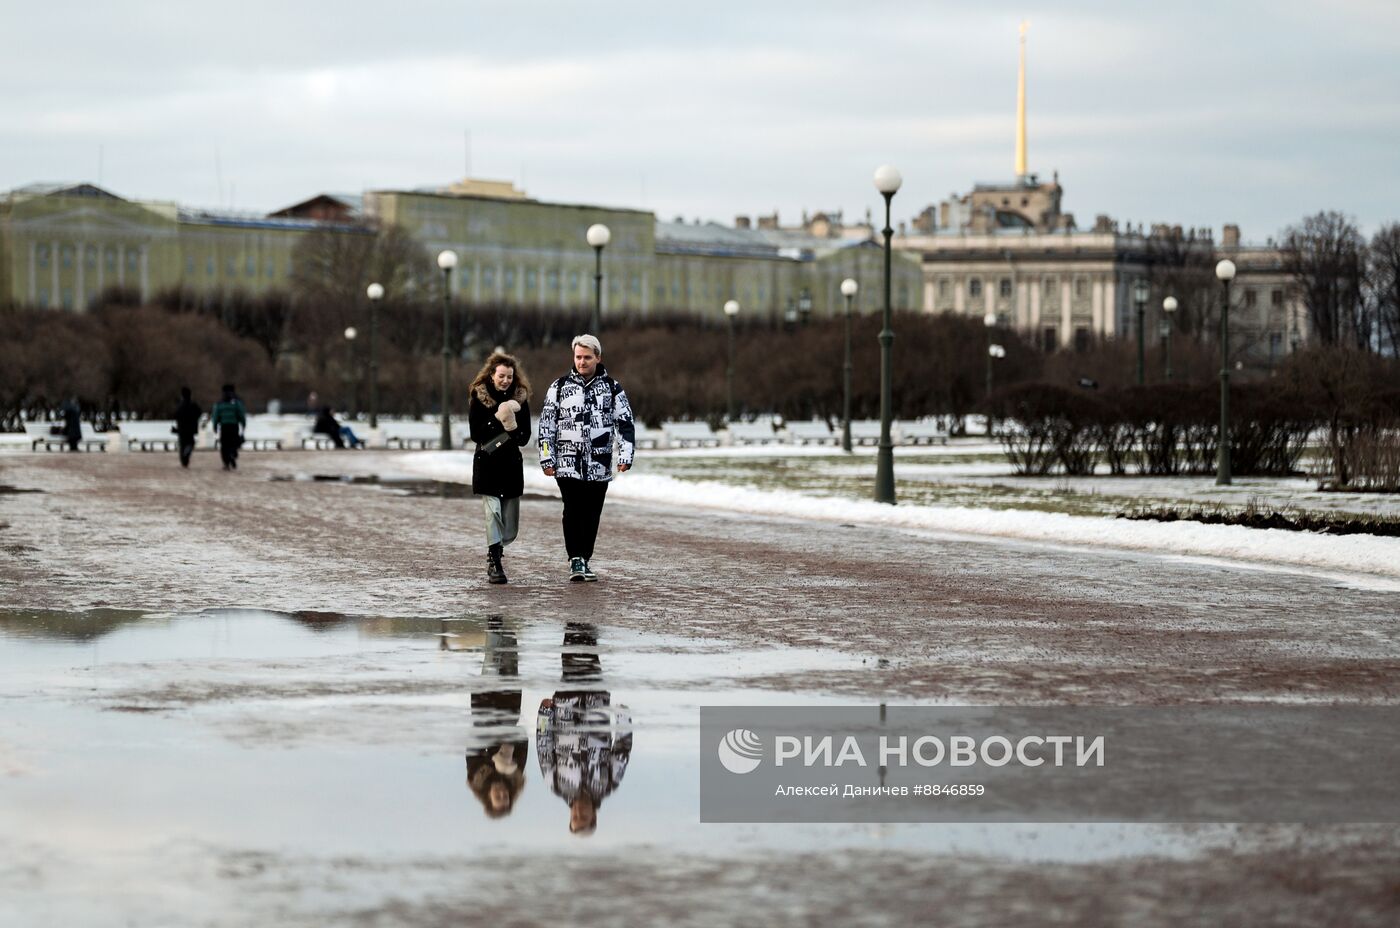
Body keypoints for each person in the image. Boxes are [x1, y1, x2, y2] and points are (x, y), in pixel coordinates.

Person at [535, 335, 635, 582]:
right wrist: (547, 459)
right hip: (567, 463)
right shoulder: (559, 387)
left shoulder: (612, 388)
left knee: (592, 513)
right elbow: (546, 425)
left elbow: (625, 423)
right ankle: (575, 559)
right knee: (572, 509)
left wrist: (626, 454)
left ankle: (585, 558)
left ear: (598, 358)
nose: (582, 362)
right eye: (578, 357)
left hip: (599, 464)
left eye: (587, 357)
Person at [536, 623, 632, 835]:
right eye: (583, 817)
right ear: (594, 816)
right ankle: (588, 620)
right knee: (590, 657)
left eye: (575, 818)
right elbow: (622, 750)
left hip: (566, 704)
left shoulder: (556, 785)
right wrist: (623, 717)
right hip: (595, 702)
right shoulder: (609, 784)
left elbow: (544, 748)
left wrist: (544, 715)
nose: (578, 813)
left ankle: (574, 621)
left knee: (570, 654)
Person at [468, 352, 532, 584]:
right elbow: (476, 434)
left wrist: (511, 423)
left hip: (511, 465)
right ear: (491, 375)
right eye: (501, 376)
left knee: (510, 524)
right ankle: (494, 560)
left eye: (509, 376)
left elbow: (524, 438)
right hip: (487, 462)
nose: (505, 380)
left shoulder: (520, 400)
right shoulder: (479, 397)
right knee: (492, 512)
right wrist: (498, 417)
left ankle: (498, 548)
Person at [210, 384, 246, 470]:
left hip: (224, 426)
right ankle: (233, 454)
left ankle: (226, 462)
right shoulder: (236, 403)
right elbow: (241, 414)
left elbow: (215, 416)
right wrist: (243, 424)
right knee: (233, 443)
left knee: (224, 445)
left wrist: (215, 426)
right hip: (234, 426)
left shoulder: (219, 403)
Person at [173, 386, 202, 468]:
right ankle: (187, 454)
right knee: (190, 442)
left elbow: (176, 415)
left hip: (182, 428)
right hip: (191, 428)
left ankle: (184, 461)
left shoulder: (180, 405)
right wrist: (194, 419)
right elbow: (199, 413)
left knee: (182, 444)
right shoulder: (193, 404)